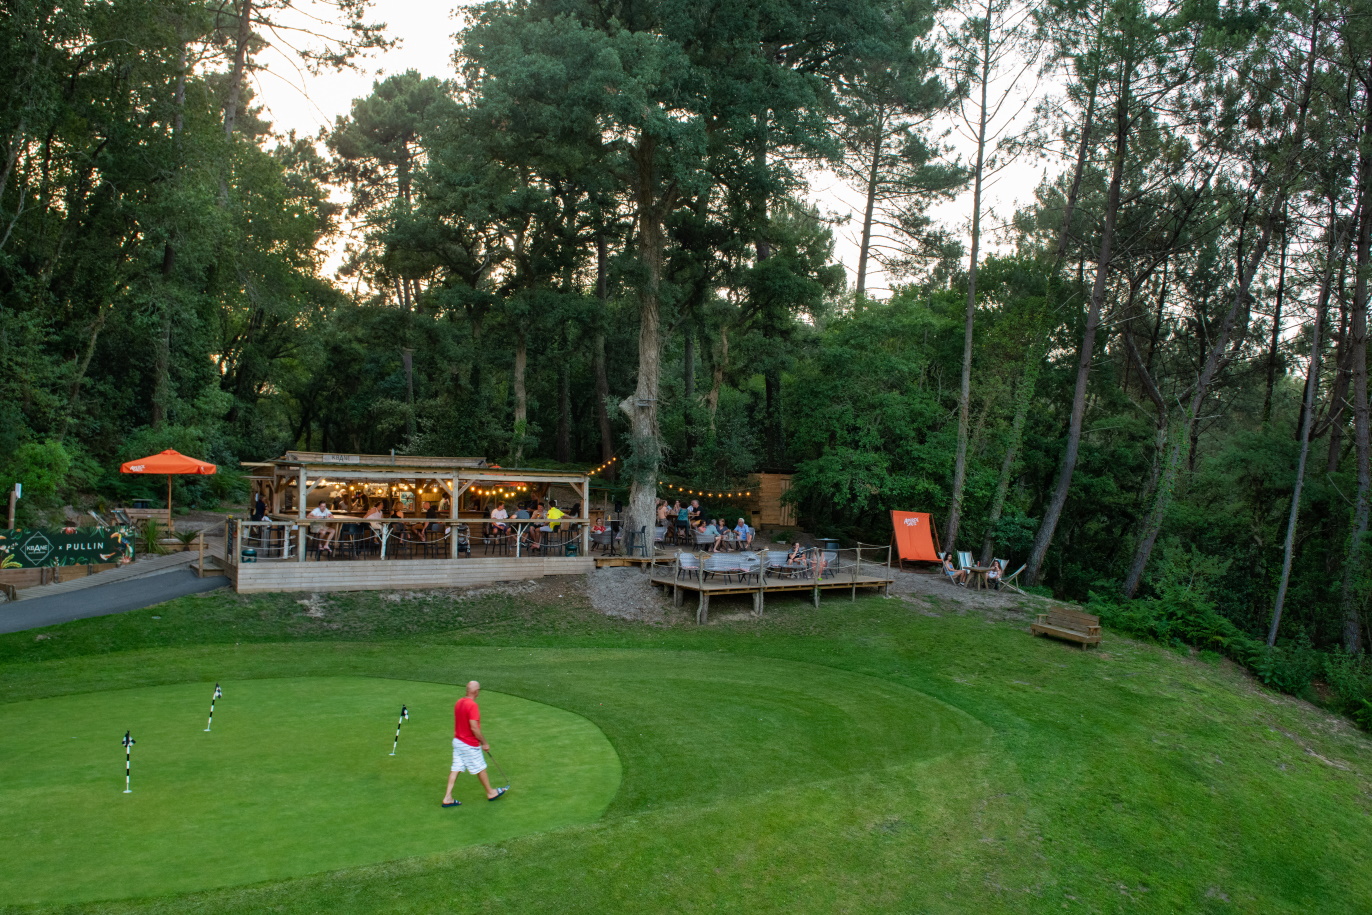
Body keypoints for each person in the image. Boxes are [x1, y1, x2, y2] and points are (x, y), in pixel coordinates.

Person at [441, 680, 508, 807]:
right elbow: (474, 727)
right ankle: (490, 792)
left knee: (456, 768)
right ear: (476, 691)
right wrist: (484, 743)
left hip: (457, 741)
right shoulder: (472, 706)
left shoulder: (459, 702)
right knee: (480, 768)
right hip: (469, 744)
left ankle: (447, 797)